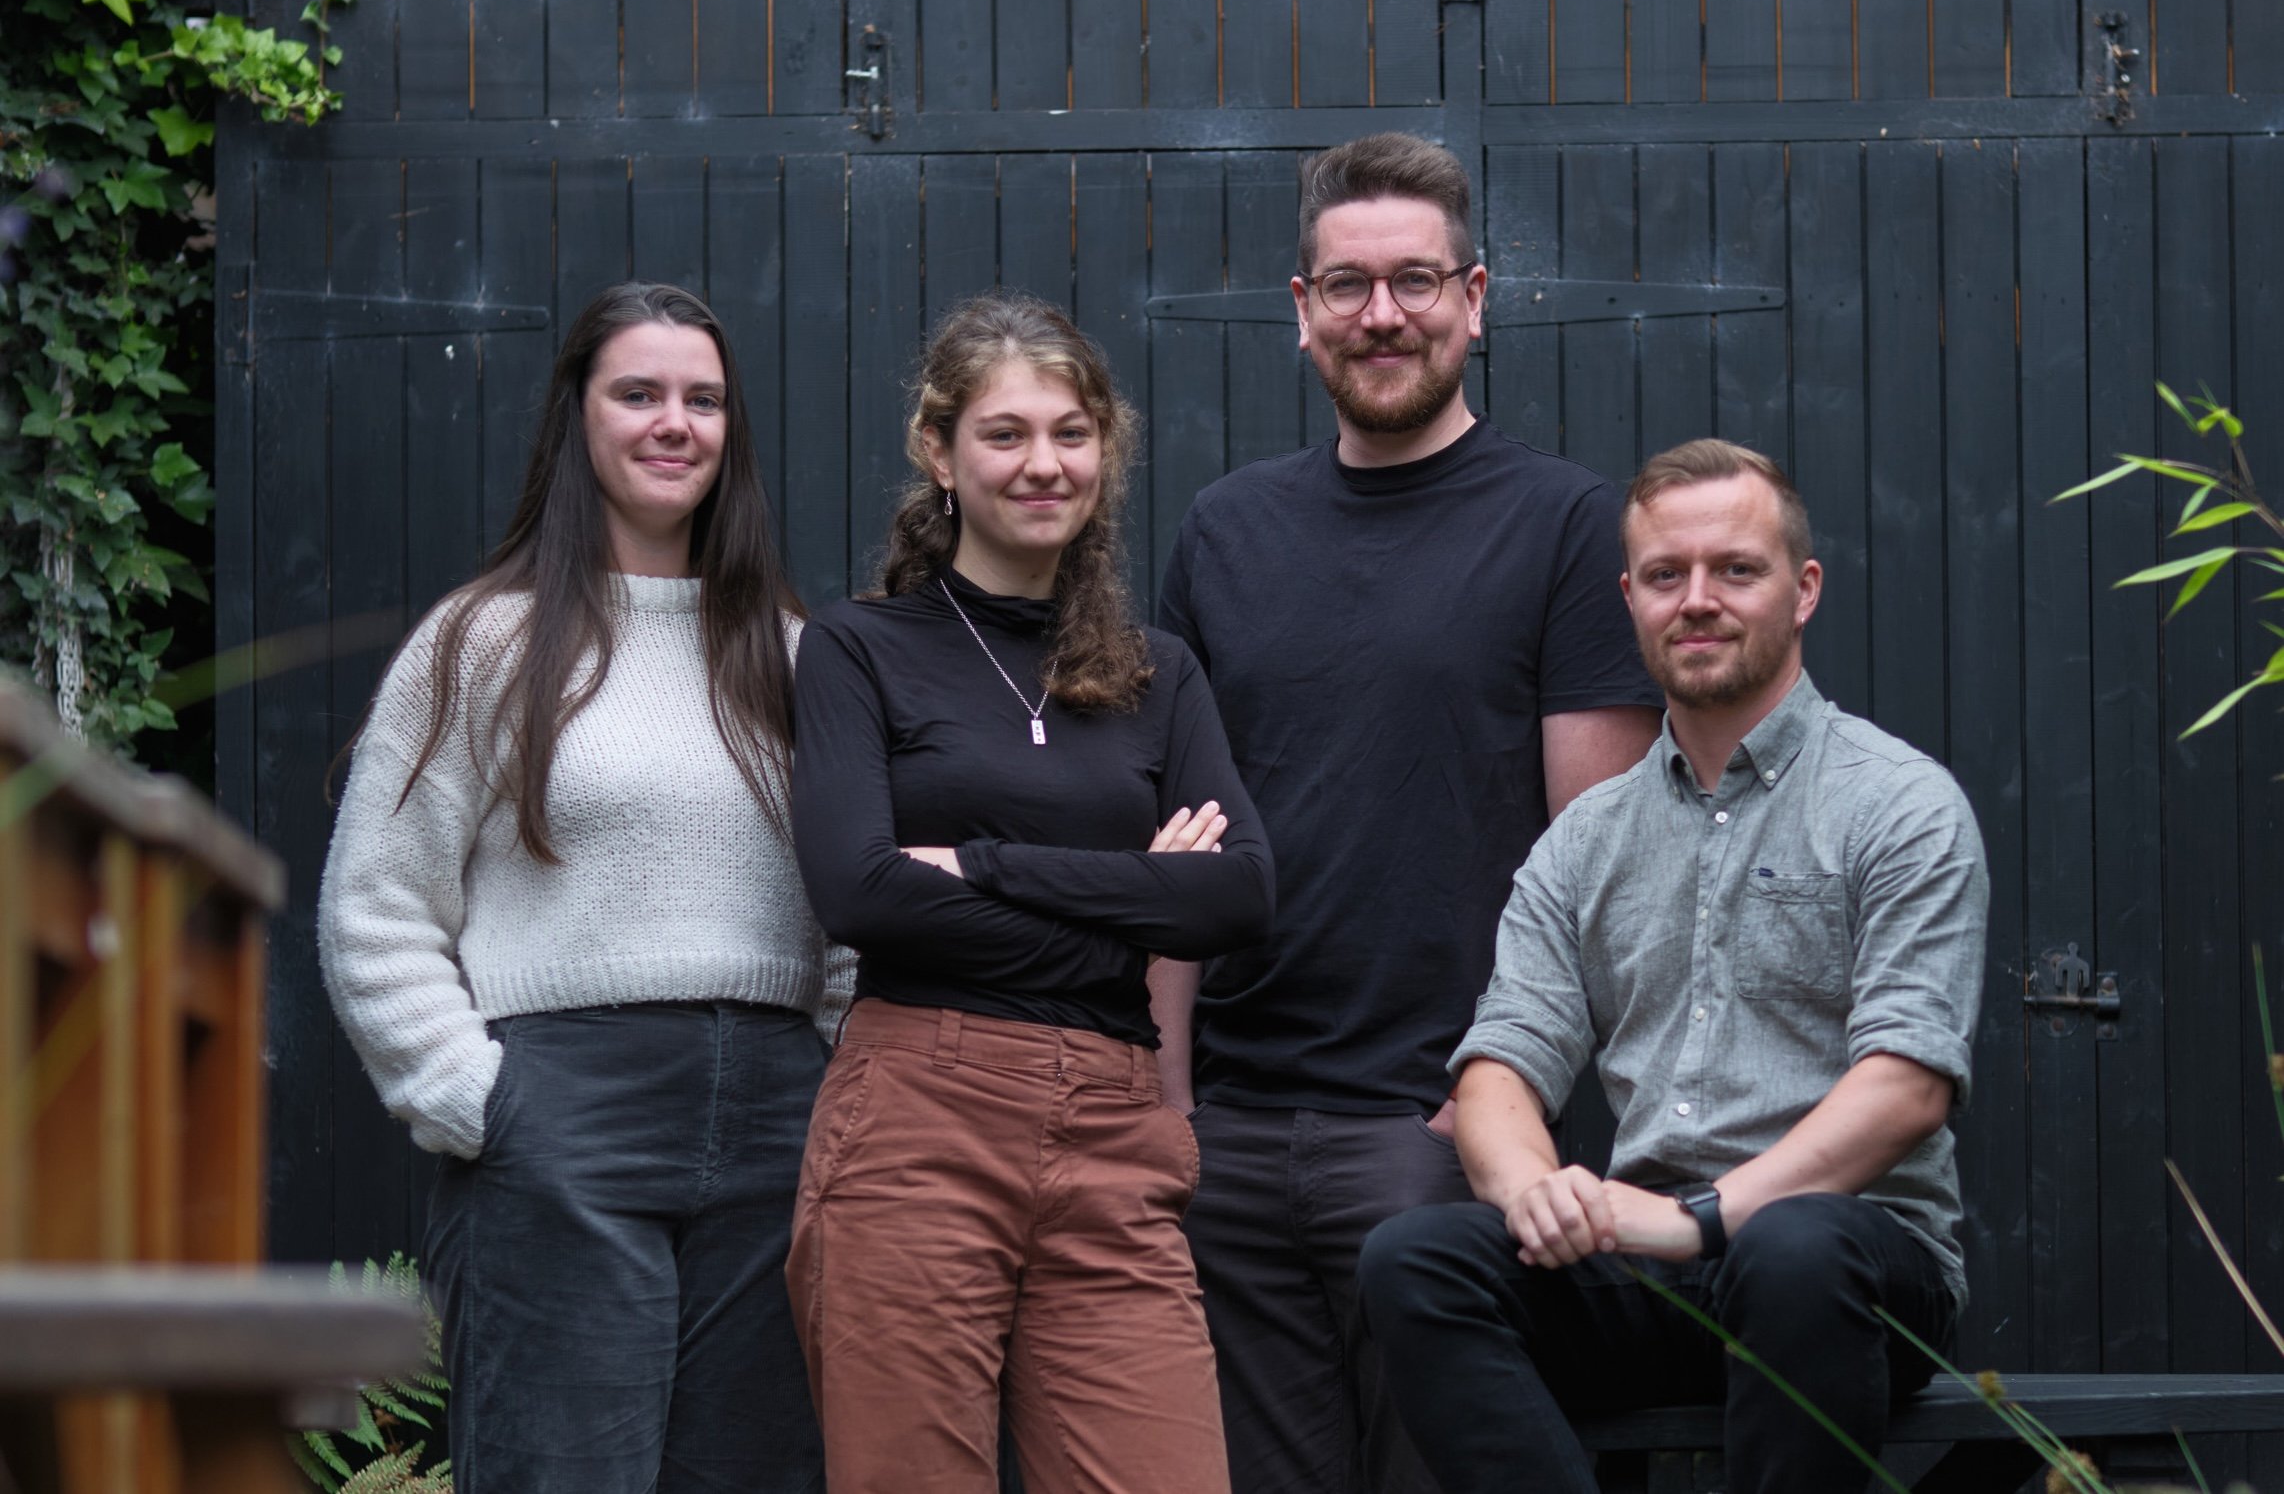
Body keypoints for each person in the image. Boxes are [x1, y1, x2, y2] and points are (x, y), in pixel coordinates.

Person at [1152, 131, 1665, 1491]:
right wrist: (1166, 1101)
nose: (1384, 314)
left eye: (1417, 282)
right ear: (1301, 309)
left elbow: (1597, 863)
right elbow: (1177, 845)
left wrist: (1501, 1102)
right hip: (1236, 1133)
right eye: (1349, 285)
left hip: (1435, 1128)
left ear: (1477, 299)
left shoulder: (1562, 525)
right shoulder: (1221, 532)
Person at [1356, 438, 1989, 1494]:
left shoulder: (1897, 804)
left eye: (1735, 570)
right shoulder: (1585, 839)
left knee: (1791, 1247)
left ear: (1803, 591)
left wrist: (1702, 1217)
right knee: (1414, 1261)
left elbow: (1908, 1086)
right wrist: (1530, 1193)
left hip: (1849, 1269)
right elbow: (1498, 1066)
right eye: (1665, 575)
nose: (1696, 600)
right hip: (1643, 1264)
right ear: (1631, 598)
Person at [318, 281, 847, 1494]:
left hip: (778, 1127)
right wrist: (481, 1104)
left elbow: (849, 911)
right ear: (579, 419)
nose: (675, 423)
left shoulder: (796, 656)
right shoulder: (483, 643)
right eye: (640, 394)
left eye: (703, 400)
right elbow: (377, 907)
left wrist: (831, 1084)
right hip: (561, 1119)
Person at [786, 292, 1274, 1494]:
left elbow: (1239, 899)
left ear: (1106, 452)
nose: (1040, 463)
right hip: (917, 1121)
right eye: (1003, 434)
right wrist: (1135, 887)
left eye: (1070, 432)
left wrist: (986, 864)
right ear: (939, 454)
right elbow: (860, 894)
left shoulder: (1160, 673)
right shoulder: (859, 649)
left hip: (1115, 1126)